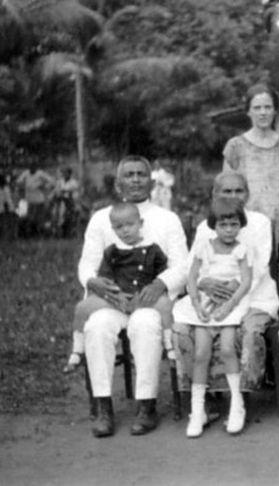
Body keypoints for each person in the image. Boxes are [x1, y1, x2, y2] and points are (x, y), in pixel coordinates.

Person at [78, 155, 189, 438]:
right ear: (118, 183)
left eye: (141, 174)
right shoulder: (101, 219)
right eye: (129, 175)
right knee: (97, 326)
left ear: (151, 182)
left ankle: (146, 405)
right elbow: (87, 264)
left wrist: (161, 284)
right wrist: (95, 283)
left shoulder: (167, 219)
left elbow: (182, 265)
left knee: (145, 324)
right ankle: (103, 407)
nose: (136, 179)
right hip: (113, 299)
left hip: (150, 300)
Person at [172, 171, 279, 399]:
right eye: (226, 191)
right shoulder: (206, 226)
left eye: (239, 191)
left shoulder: (259, 222)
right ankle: (202, 395)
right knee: (185, 328)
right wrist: (204, 283)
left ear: (247, 194)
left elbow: (259, 265)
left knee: (248, 330)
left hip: (254, 293)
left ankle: (240, 395)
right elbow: (193, 266)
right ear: (215, 194)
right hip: (211, 294)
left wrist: (233, 287)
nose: (233, 196)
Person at [63, 202, 173, 374]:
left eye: (130, 225)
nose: (125, 230)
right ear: (113, 229)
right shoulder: (112, 252)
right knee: (82, 308)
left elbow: (162, 275)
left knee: (165, 305)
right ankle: (78, 350)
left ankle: (169, 345)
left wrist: (155, 287)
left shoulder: (153, 250)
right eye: (119, 227)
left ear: (140, 224)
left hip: (142, 299)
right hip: (118, 300)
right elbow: (106, 278)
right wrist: (115, 294)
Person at [174, 197, 252, 437]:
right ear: (213, 226)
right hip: (206, 304)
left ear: (240, 225)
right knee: (201, 354)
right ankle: (197, 411)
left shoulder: (241, 249)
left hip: (230, 304)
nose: (228, 230)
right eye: (223, 225)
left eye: (233, 224)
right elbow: (191, 278)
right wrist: (196, 304)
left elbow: (246, 281)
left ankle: (237, 404)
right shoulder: (203, 247)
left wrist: (229, 305)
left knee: (228, 349)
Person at [223, 83, 279, 243]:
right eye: (257, 108)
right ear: (248, 111)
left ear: (275, 110)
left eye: (268, 107)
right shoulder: (235, 145)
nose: (263, 112)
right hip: (247, 224)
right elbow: (225, 190)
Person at [16, 163, 54, 237]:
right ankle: (30, 233)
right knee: (30, 218)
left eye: (33, 167)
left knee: (39, 218)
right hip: (30, 200)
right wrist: (23, 186)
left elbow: (51, 181)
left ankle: (39, 233)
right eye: (30, 167)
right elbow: (18, 182)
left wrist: (44, 186)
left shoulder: (40, 173)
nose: (31, 169)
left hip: (39, 200)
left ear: (36, 168)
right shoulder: (26, 173)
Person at [52, 167, 80, 237]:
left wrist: (63, 191)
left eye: (66, 173)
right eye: (64, 173)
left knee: (68, 217)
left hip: (70, 202)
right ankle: (57, 232)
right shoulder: (60, 181)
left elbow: (70, 190)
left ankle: (68, 232)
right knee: (56, 215)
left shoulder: (74, 182)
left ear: (70, 174)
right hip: (60, 201)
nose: (64, 174)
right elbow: (56, 190)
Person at [0, 172, 16, 240]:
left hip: (9, 209)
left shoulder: (6, 188)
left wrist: (12, 206)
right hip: (0, 210)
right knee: (0, 226)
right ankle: (0, 238)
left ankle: (10, 237)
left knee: (10, 224)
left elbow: (9, 198)